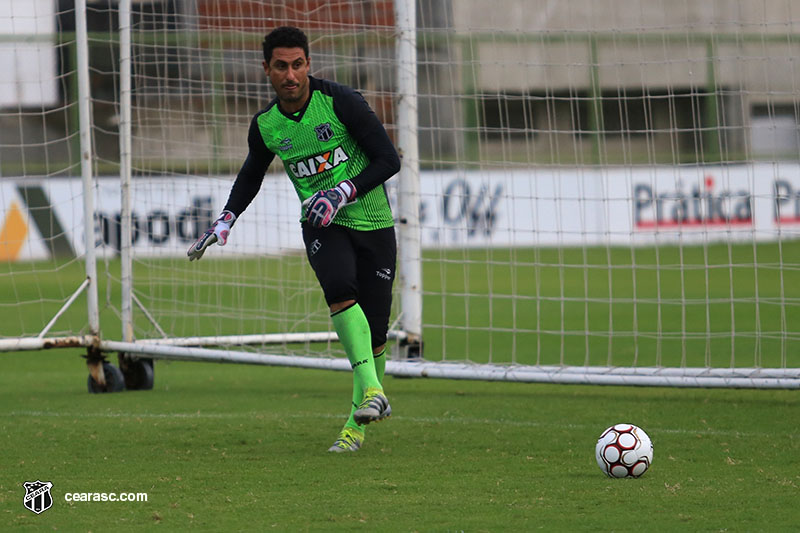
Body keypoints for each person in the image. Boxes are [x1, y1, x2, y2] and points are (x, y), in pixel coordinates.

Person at [187, 26, 400, 453]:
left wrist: (342, 191)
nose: (290, 75)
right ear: (267, 69)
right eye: (281, 66)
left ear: (308, 65)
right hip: (321, 222)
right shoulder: (267, 124)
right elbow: (251, 173)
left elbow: (388, 160)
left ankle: (364, 404)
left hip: (372, 220)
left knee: (376, 333)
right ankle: (360, 418)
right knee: (340, 291)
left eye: (298, 64)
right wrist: (227, 218)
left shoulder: (342, 103)